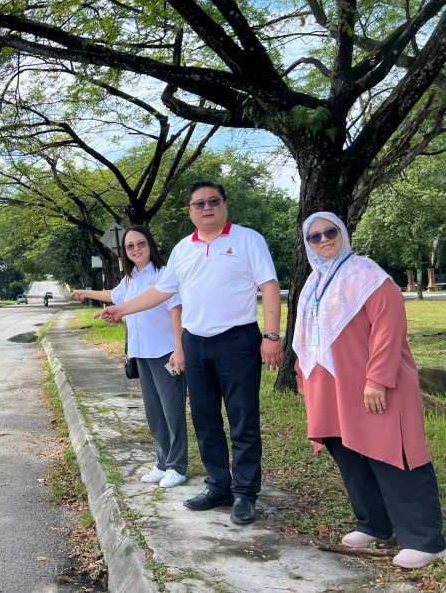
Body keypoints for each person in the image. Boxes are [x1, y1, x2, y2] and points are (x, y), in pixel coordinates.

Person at [98, 181, 282, 526]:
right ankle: (218, 485)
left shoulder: (247, 239)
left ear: (224, 205)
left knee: (243, 420)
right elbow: (161, 292)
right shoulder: (184, 249)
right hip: (195, 342)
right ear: (190, 211)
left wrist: (271, 335)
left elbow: (269, 287)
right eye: (199, 204)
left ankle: (245, 492)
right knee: (204, 418)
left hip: (237, 340)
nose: (206, 207)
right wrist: (122, 309)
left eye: (213, 201)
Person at [292, 211, 445, 569]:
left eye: (331, 232)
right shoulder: (313, 284)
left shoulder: (367, 274)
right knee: (347, 450)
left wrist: (378, 378)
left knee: (393, 448)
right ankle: (375, 523)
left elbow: (389, 328)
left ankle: (426, 539)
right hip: (329, 384)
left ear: (343, 233)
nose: (324, 239)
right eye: (315, 236)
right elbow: (303, 339)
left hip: (371, 384)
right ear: (307, 244)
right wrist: (303, 378)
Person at [72, 225, 188, 489]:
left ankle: (178, 466)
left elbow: (176, 313)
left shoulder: (163, 275)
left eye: (141, 244)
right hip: (141, 354)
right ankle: (163, 463)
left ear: (151, 245)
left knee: (172, 412)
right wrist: (85, 293)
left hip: (165, 353)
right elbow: (113, 296)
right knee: (154, 412)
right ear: (125, 252)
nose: (136, 249)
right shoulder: (130, 279)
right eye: (130, 246)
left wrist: (179, 349)